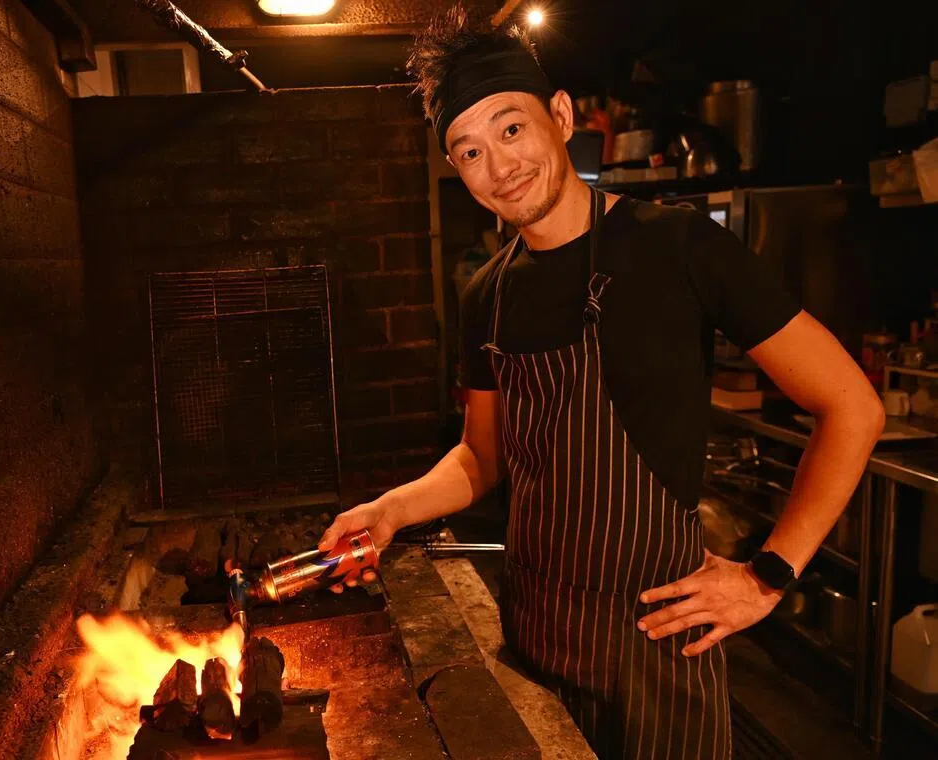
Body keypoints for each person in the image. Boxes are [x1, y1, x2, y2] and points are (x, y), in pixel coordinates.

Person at [319, 6, 885, 759]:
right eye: (471, 151)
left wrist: (768, 576)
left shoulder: (679, 247)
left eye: (511, 129)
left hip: (658, 653)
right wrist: (389, 511)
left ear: (559, 115)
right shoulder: (486, 293)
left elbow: (851, 405)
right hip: (536, 639)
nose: (501, 166)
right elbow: (481, 457)